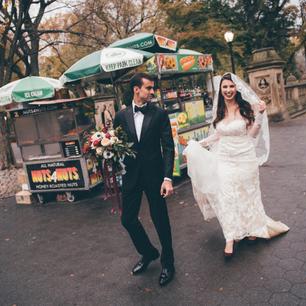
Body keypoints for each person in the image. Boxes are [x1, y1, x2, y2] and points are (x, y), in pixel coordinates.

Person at [183, 73, 289, 260]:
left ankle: (252, 228)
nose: (228, 90)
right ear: (221, 90)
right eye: (225, 87)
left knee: (248, 195)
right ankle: (230, 237)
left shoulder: (246, 107)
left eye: (231, 87)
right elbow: (217, 136)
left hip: (245, 157)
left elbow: (253, 134)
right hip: (224, 158)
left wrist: (260, 116)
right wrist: (197, 145)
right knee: (227, 197)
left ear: (236, 88)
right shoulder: (219, 111)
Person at [113, 73, 175, 286]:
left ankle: (168, 263)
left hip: (155, 176)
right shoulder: (121, 116)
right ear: (136, 90)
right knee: (127, 219)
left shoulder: (159, 114)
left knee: (160, 220)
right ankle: (148, 252)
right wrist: (106, 153)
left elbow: (168, 147)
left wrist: (167, 178)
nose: (152, 91)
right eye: (148, 88)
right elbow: (116, 144)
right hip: (131, 176)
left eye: (152, 88)